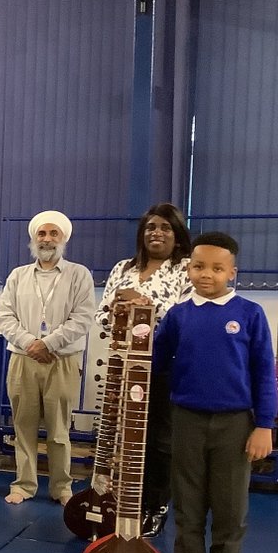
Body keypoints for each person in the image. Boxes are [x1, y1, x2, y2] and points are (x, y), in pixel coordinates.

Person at [154, 232, 276, 553]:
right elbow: (157, 364)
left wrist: (264, 425)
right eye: (199, 266)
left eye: (217, 268)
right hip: (186, 419)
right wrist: (136, 333)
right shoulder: (177, 316)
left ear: (232, 273)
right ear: (189, 268)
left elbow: (263, 372)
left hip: (236, 423)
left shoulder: (249, 314)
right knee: (188, 502)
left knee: (229, 505)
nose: (207, 274)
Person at [95, 202, 193, 535]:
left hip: (164, 368)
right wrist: (119, 307)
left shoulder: (186, 269)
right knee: (123, 438)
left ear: (177, 234)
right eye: (151, 226)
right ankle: (123, 503)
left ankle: (156, 504)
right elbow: (102, 316)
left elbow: (185, 318)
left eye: (165, 227)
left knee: (158, 440)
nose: (157, 233)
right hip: (122, 366)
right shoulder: (123, 267)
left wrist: (147, 307)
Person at [0, 211, 95, 505]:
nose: (47, 239)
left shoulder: (79, 274)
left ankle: (62, 487)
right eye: (42, 234)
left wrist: (48, 343)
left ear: (63, 238)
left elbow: (83, 317)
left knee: (59, 429)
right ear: (33, 238)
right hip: (23, 358)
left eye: (54, 234)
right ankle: (24, 484)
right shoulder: (18, 275)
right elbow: (4, 317)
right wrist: (30, 343)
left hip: (61, 360)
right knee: (22, 426)